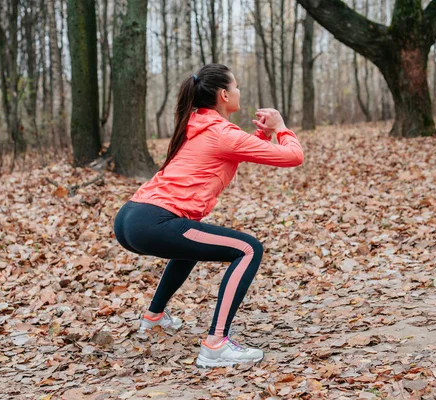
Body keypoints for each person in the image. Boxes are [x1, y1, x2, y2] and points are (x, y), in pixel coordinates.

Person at [113, 63, 304, 368]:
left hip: (130, 218)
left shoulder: (196, 123)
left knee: (189, 241)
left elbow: (240, 149)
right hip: (153, 221)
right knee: (248, 248)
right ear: (224, 94)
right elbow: (294, 156)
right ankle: (216, 344)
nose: (240, 91)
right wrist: (280, 127)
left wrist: (262, 135)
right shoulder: (222, 133)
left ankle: (154, 318)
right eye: (237, 86)